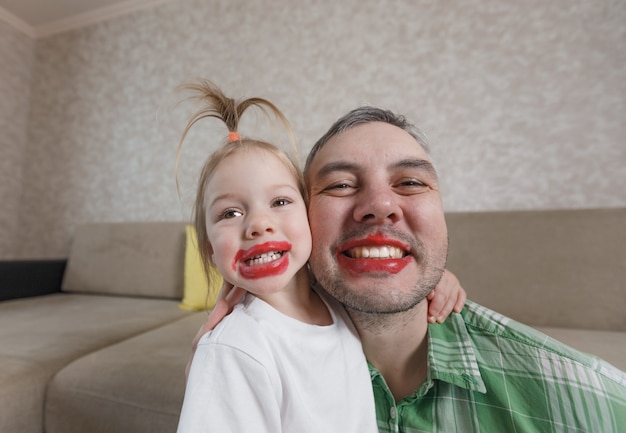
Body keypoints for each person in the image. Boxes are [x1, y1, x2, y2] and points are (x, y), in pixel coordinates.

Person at [197, 105, 626, 432]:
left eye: (410, 183)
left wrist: (427, 272)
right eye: (342, 185)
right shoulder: (255, 346)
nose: (380, 206)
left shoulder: (591, 400)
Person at [175, 81, 465, 433]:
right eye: (230, 214)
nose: (258, 225)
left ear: (310, 218)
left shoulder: (335, 302)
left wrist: (435, 278)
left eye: (280, 202)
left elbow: (387, 289)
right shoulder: (235, 349)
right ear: (209, 251)